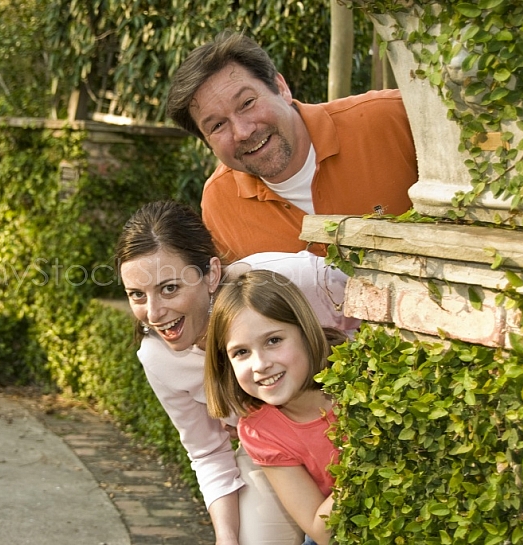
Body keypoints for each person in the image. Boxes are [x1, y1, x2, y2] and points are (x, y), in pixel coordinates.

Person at [115, 200, 358, 545]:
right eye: (137, 295)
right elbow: (207, 451)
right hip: (272, 448)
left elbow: (385, 309)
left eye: (170, 288)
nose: (154, 313)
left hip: (344, 419)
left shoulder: (291, 280)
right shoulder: (157, 356)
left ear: (211, 274)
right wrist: (225, 536)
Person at [166, 30, 419, 262]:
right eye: (218, 126)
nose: (243, 132)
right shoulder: (220, 203)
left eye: (247, 103)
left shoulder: (391, 119)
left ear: (281, 88)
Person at [204, 270, 347, 545]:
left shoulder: (355, 379)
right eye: (241, 352)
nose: (260, 365)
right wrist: (366, 461)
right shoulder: (262, 430)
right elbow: (323, 531)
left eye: (273, 341)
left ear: (306, 333)